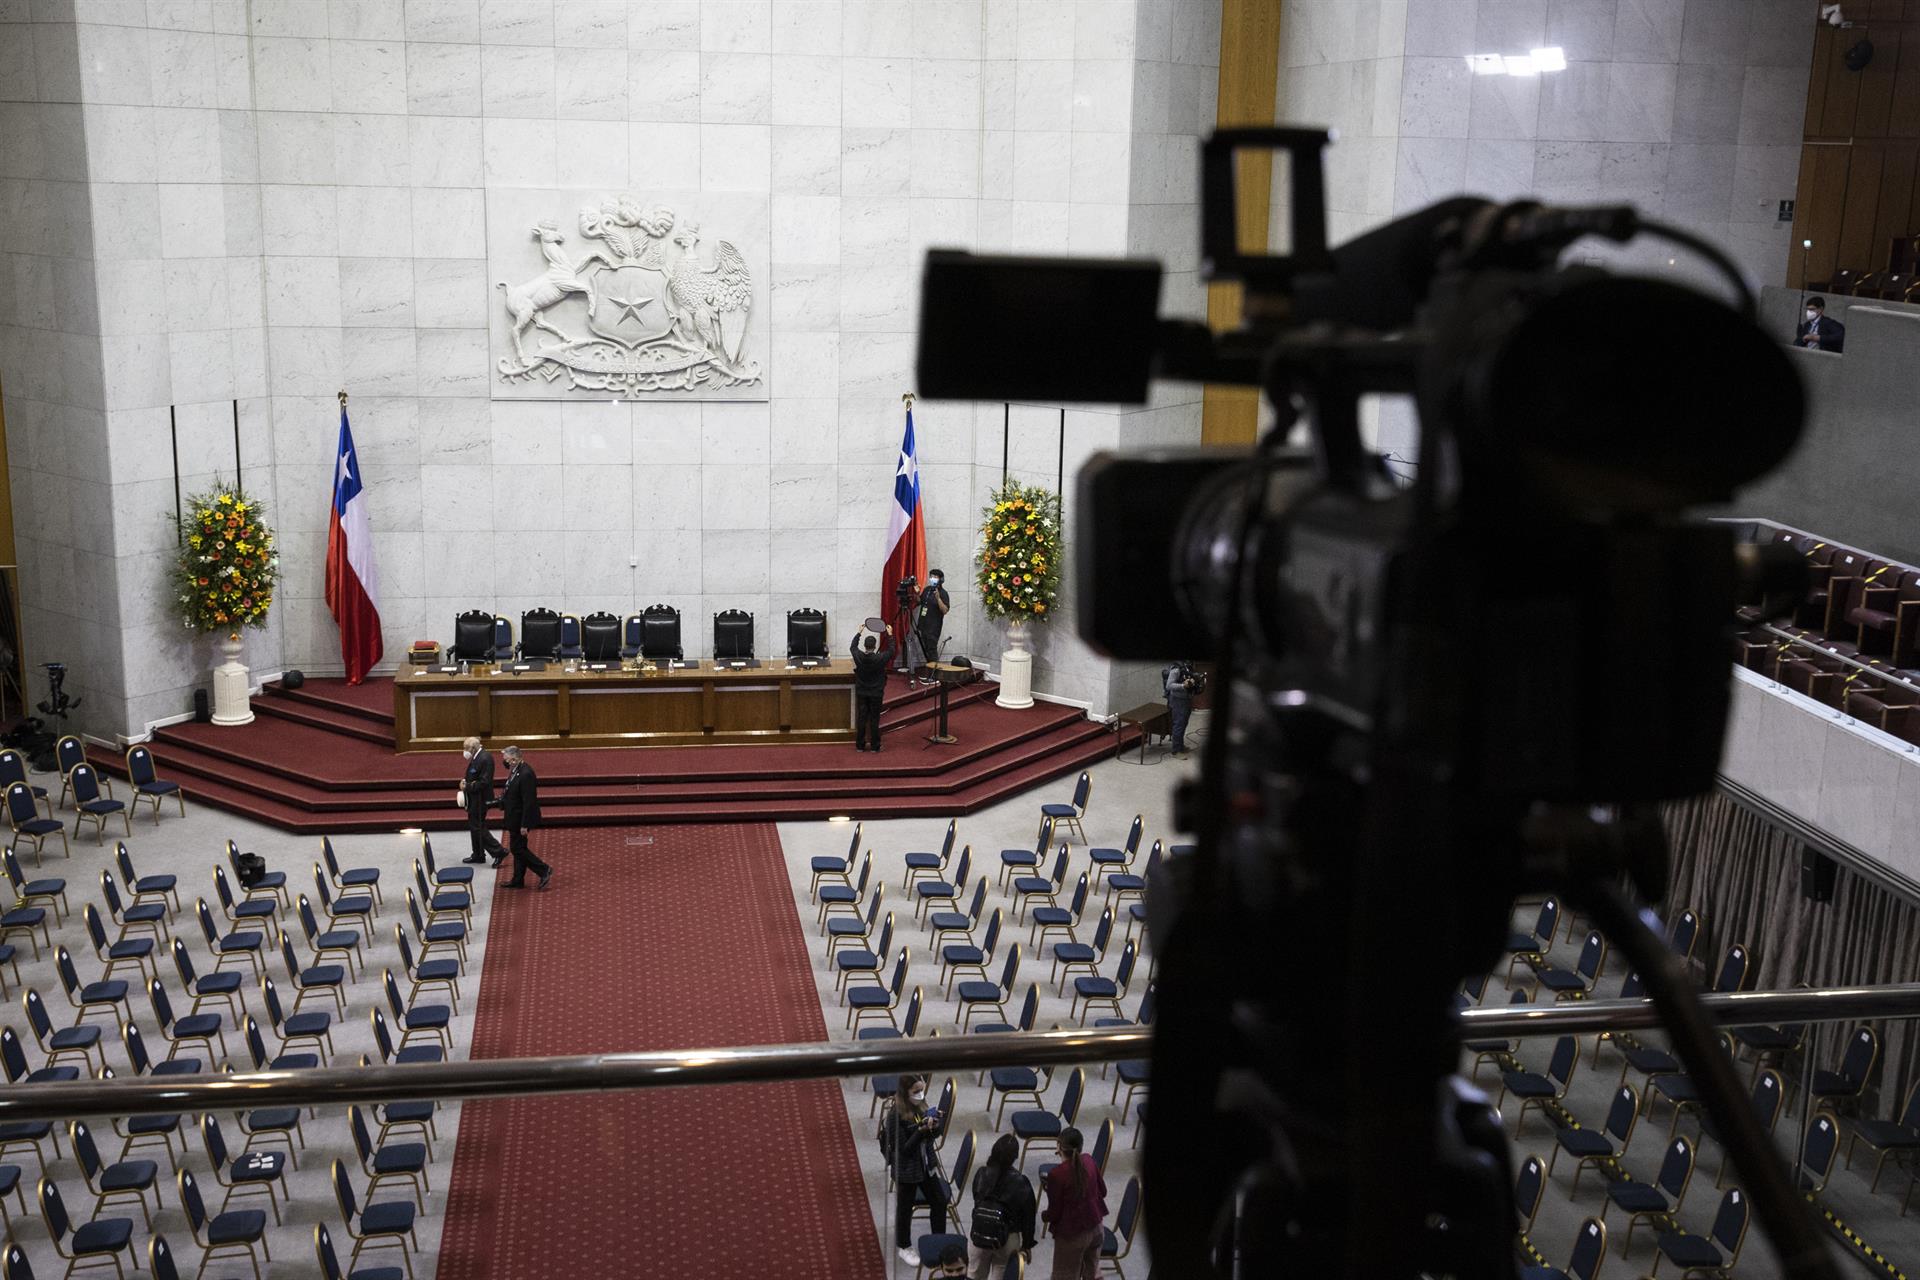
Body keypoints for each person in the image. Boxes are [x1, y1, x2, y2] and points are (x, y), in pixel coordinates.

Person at [885, 1074, 949, 1266]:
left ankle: (939, 1241)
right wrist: (920, 1132)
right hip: (907, 1169)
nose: (920, 1094)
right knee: (905, 1208)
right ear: (905, 1093)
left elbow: (933, 1136)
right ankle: (903, 1246)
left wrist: (935, 1125)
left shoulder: (921, 1106)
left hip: (925, 1164)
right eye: (916, 1091)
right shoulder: (895, 1116)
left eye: (922, 1089)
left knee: (939, 1201)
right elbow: (903, 1149)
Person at [1039, 1126, 1106, 1280]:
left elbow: (1055, 1213)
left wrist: (1044, 1216)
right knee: (1093, 1272)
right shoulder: (1089, 1160)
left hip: (1072, 1236)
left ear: (1059, 1147)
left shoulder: (1057, 1175)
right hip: (1096, 1228)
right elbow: (1103, 1191)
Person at [967, 1134, 1036, 1279]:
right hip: (1007, 1240)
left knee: (974, 1275)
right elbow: (1029, 1217)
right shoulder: (1021, 1182)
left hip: (980, 1233)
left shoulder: (981, 1174)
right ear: (1015, 1157)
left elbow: (977, 1201)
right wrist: (1027, 1245)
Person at [498, 745, 552, 890]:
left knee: (518, 849)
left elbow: (529, 801)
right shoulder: (515, 771)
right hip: (513, 817)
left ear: (514, 759)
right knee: (518, 848)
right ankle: (517, 879)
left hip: (520, 819)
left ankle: (543, 869)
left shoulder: (526, 773)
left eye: (506, 759)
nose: (504, 761)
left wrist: (524, 824)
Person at [458, 736, 508, 865]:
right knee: (474, 825)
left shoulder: (485, 758)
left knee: (478, 827)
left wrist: (468, 786)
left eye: (466, 748)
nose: (464, 751)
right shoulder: (477, 757)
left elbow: (484, 782)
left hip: (481, 798)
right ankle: (478, 854)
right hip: (474, 797)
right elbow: (474, 775)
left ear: (473, 748)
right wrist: (466, 782)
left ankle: (498, 851)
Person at [850, 624, 894, 753]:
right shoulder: (880, 658)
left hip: (862, 691)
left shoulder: (858, 656)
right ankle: (875, 746)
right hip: (876, 692)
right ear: (875, 646)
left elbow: (852, 647)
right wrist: (890, 635)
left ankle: (860, 745)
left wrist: (859, 632)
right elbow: (892, 651)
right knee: (874, 719)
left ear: (865, 646)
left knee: (862, 718)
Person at [914, 569, 950, 684]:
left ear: (941, 579)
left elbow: (945, 610)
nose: (932, 578)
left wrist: (938, 598)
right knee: (927, 650)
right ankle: (930, 673)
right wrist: (917, 593)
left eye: (935, 576)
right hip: (923, 625)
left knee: (932, 650)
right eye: (931, 576)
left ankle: (935, 677)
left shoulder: (943, 593)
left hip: (933, 627)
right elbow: (919, 602)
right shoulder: (927, 590)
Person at [1164, 660, 1197, 757]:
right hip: (1178, 700)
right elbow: (1169, 685)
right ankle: (1176, 751)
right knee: (1179, 725)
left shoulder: (1187, 665)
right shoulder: (1176, 669)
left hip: (1186, 698)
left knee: (1183, 723)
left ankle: (1180, 746)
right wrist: (1183, 686)